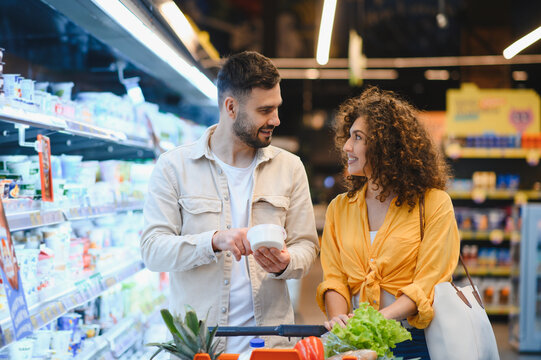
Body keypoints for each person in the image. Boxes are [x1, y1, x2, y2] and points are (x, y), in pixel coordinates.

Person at [141, 51, 319, 354]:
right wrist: (212, 241)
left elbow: (307, 245)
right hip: (201, 347)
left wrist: (286, 263)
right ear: (231, 107)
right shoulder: (175, 167)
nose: (275, 120)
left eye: (277, 108)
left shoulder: (290, 168)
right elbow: (152, 250)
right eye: (265, 110)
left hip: (269, 344)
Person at [317, 86, 460, 359]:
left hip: (414, 341)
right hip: (354, 342)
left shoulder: (433, 204)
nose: (347, 147)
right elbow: (334, 279)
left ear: (386, 147)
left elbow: (429, 283)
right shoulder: (339, 208)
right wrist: (341, 325)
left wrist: (376, 323)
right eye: (348, 137)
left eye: (357, 138)